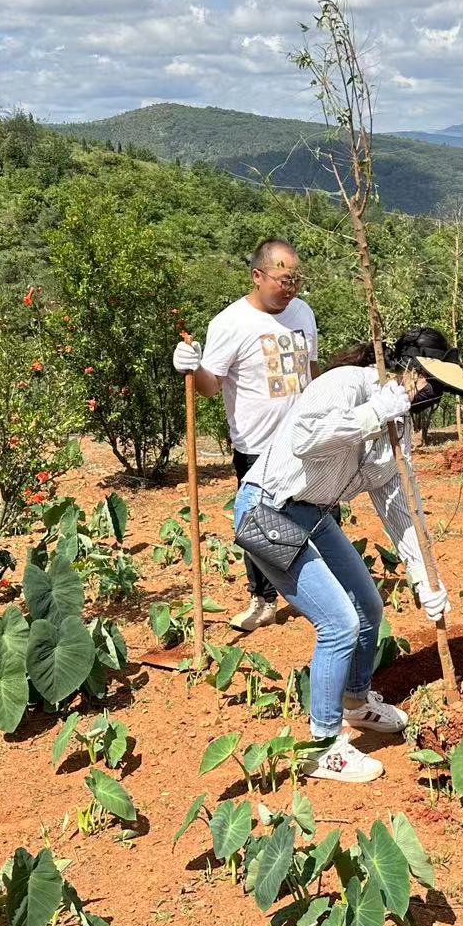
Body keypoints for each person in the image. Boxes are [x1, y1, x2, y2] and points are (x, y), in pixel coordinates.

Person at [237, 326, 463, 783]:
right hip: (268, 508)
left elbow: (399, 504)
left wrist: (424, 574)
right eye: (431, 384)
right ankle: (322, 747)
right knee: (338, 624)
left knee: (368, 606)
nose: (433, 396)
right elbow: (306, 439)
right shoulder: (347, 385)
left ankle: (355, 701)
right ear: (409, 370)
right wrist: (373, 412)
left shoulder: (398, 426)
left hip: (311, 511)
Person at [172, 238, 317, 632]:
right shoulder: (230, 323)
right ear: (257, 275)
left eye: (296, 281)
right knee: (260, 526)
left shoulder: (303, 313)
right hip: (257, 445)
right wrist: (193, 367)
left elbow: (311, 370)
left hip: (305, 439)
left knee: (318, 516)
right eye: (283, 281)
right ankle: (264, 600)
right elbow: (210, 386)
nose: (290, 289)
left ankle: (320, 594)